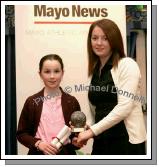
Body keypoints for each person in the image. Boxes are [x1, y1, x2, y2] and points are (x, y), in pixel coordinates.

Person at [76, 19, 147, 155]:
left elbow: (124, 107)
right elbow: (96, 110)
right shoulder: (95, 71)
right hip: (101, 141)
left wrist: (91, 131)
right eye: (94, 38)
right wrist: (86, 129)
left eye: (105, 38)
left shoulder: (127, 64)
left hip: (125, 141)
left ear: (114, 40)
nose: (99, 43)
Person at [17, 54, 81, 155]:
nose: (52, 76)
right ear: (40, 74)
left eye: (56, 71)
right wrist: (38, 143)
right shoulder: (32, 101)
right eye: (47, 72)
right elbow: (21, 134)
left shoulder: (72, 102)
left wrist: (76, 141)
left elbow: (76, 134)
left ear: (62, 73)